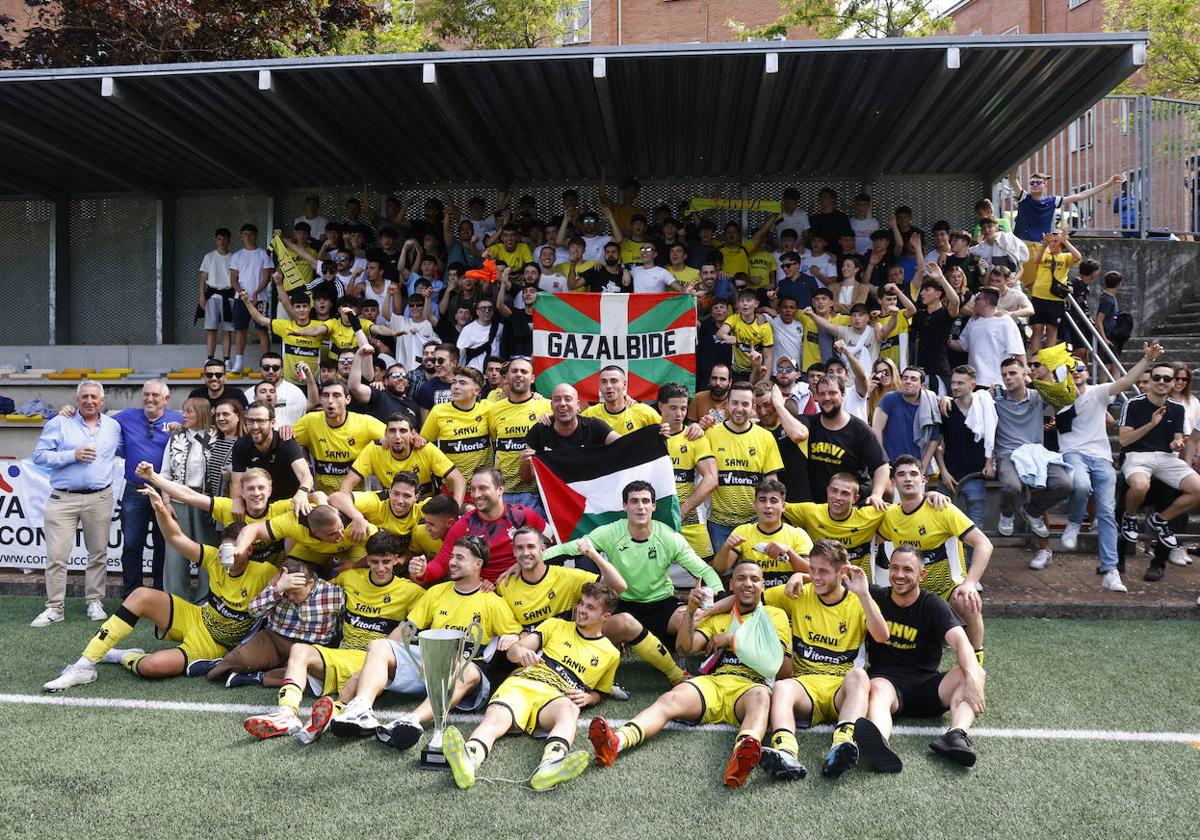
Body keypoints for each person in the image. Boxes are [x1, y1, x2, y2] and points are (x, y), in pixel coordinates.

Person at [42, 486, 276, 690]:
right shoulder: (213, 557)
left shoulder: (265, 572)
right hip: (196, 617)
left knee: (150, 666)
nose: (229, 557)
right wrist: (160, 510)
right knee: (140, 595)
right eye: (226, 550)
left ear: (249, 550)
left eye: (235, 551)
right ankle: (84, 665)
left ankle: (124, 656)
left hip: (214, 644)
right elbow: (174, 538)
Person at [588, 562, 791, 789]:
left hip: (751, 686)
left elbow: (780, 667)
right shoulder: (719, 617)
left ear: (763, 585)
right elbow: (685, 649)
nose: (748, 584)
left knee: (761, 699)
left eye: (754, 579)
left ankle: (741, 758)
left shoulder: (775, 615)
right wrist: (691, 612)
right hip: (714, 683)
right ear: (731, 584)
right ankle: (616, 742)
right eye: (741, 578)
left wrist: (733, 641)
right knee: (672, 698)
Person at [328, 536, 523, 747]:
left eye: (460, 558)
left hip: (464, 670)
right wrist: (372, 663)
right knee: (380, 645)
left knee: (466, 670)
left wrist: (513, 638)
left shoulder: (493, 602)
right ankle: (360, 710)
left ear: (478, 563)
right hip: (428, 664)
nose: (452, 562)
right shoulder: (436, 592)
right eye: (451, 557)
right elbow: (406, 630)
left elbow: (515, 637)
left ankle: (412, 721)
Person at [242, 532, 425, 739]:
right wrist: (280, 586)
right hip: (341, 656)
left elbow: (402, 640)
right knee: (300, 650)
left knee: (370, 659)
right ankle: (287, 714)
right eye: (374, 561)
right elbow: (316, 591)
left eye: (386, 562)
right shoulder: (349, 579)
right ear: (367, 559)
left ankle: (335, 712)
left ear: (396, 560)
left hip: (373, 667)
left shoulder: (413, 593)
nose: (380, 568)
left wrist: (418, 576)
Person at [442, 582, 622, 791]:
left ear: (606, 617)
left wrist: (590, 698)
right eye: (581, 604)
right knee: (495, 719)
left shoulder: (611, 654)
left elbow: (602, 691)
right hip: (523, 682)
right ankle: (469, 759)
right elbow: (513, 651)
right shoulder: (555, 625)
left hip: (554, 698)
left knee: (570, 709)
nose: (581, 610)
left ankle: (550, 766)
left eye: (590, 608)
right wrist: (519, 653)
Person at [758, 540, 888, 781]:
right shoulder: (798, 593)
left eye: (823, 571)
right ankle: (786, 752)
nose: (816, 577)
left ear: (842, 572)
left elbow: (882, 636)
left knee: (859, 676)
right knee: (783, 686)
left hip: (841, 688)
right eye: (812, 570)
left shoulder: (858, 601)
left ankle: (842, 745)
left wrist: (863, 594)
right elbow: (752, 596)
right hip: (806, 685)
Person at [855, 546, 988, 773]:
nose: (899, 575)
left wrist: (974, 681)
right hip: (887, 684)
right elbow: (830, 579)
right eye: (894, 568)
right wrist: (800, 575)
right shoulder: (875, 596)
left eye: (908, 569)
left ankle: (955, 735)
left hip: (927, 687)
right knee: (876, 686)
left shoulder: (933, 605)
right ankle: (879, 743)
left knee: (975, 672)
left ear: (921, 575)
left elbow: (960, 642)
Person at [1060, 344, 1163, 592]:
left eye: (1080, 367)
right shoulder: (1056, 397)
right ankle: (1074, 521)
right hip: (1073, 454)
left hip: (1101, 458)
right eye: (1069, 368)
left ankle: (1111, 570)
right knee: (1081, 485)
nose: (1075, 372)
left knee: (1107, 511)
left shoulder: (1097, 392)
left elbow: (1127, 379)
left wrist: (1147, 359)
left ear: (1087, 372)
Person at [878, 455, 992, 658]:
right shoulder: (890, 515)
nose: (908, 479)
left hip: (947, 590)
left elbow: (984, 544)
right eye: (901, 475)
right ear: (893, 482)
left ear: (923, 480)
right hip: (912, 593)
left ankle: (976, 661)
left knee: (968, 600)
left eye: (914, 474)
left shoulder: (942, 509)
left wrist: (970, 583)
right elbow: (870, 538)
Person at [30, 381, 122, 627]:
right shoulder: (60, 422)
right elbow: (39, 455)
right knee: (57, 556)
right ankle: (55, 608)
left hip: (99, 497)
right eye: (85, 397)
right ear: (77, 399)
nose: (89, 401)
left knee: (98, 554)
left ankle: (94, 601)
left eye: (94, 397)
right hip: (63, 498)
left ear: (102, 401)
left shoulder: (113, 427)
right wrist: (73, 455)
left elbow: (124, 449)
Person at [207, 557, 345, 688]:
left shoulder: (334, 593)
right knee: (241, 659)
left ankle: (259, 677)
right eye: (288, 593)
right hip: (275, 639)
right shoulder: (279, 585)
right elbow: (253, 611)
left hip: (310, 649)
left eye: (295, 593)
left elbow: (345, 624)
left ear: (310, 583)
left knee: (314, 676)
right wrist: (278, 589)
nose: (290, 597)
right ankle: (218, 665)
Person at [107, 379, 185, 596]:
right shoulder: (128, 416)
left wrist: (182, 429)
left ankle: (160, 592)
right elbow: (100, 420)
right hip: (136, 490)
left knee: (164, 544)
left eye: (155, 395)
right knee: (132, 544)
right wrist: (68, 411)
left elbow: (202, 427)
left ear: (166, 399)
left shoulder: (178, 418)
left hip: (166, 492)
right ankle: (133, 593)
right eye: (146, 394)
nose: (149, 399)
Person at [993, 358, 1073, 556]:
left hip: (1036, 454)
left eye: (1012, 373)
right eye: (1004, 375)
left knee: (1065, 484)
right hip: (1008, 454)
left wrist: (1052, 373)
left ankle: (1032, 511)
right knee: (1012, 486)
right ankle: (1007, 513)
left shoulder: (1038, 396)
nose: (1008, 378)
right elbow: (969, 399)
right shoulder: (996, 398)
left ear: (1024, 374)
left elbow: (1065, 400)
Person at [414, 467, 548, 584]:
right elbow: (442, 563)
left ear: (500, 489)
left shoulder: (521, 515)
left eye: (483, 488)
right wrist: (423, 571)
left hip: (523, 584)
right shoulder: (464, 525)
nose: (476, 495)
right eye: (473, 489)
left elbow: (554, 543)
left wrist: (524, 564)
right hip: (485, 592)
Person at [1118, 361, 1200, 549]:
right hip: (1137, 456)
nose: (1161, 381)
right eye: (1157, 377)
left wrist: (1177, 444)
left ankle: (1161, 520)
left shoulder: (1178, 408)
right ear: (1150, 381)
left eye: (1167, 378)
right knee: (1140, 486)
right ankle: (1129, 517)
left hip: (1166, 458)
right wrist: (1152, 424)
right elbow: (1123, 441)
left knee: (1198, 489)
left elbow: (1177, 440)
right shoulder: (1133, 404)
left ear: (1173, 383)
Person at [704, 381, 785, 550]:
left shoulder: (766, 437)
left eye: (745, 404)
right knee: (722, 573)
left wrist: (774, 518)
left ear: (753, 407)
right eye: (734, 403)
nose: (739, 408)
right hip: (720, 524)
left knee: (754, 574)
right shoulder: (711, 434)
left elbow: (772, 482)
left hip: (754, 523)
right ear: (727, 404)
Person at [657, 383, 719, 573]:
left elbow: (711, 479)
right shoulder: (649, 434)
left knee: (707, 570)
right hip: (655, 518)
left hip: (688, 518)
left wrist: (683, 510)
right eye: (673, 408)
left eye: (684, 408)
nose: (679, 413)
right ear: (661, 406)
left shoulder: (694, 437)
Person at [159, 397, 217, 599]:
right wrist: (166, 502)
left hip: (207, 504)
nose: (183, 415)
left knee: (208, 554)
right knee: (175, 554)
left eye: (189, 411)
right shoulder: (175, 437)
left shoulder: (218, 437)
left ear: (202, 413)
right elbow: (165, 474)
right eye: (183, 411)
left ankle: (207, 601)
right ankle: (175, 601)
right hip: (179, 502)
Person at [801, 375, 889, 506]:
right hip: (818, 507)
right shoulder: (808, 424)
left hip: (852, 505)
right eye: (822, 394)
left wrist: (877, 495)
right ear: (816, 397)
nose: (826, 398)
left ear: (843, 395)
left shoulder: (860, 430)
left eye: (832, 393)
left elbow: (882, 465)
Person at [934, 365, 994, 547]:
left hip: (975, 475)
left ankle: (970, 572)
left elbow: (992, 436)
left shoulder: (984, 406)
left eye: (960, 383)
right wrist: (943, 472)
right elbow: (937, 445)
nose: (955, 387)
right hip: (949, 476)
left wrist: (989, 462)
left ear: (973, 385)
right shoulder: (947, 408)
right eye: (953, 382)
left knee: (975, 529)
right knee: (937, 522)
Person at [715, 478, 811, 588]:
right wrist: (726, 547)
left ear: (783, 506)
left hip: (787, 597)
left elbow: (810, 572)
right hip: (753, 599)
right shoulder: (742, 531)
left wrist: (789, 551)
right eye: (762, 500)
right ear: (755, 505)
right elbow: (719, 570)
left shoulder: (798, 535)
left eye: (773, 501)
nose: (768, 506)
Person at [343, 412, 464, 500]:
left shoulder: (425, 449)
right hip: (390, 506)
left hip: (422, 507)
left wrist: (455, 511)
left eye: (403, 431)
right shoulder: (375, 449)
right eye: (392, 431)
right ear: (385, 434)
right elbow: (347, 484)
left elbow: (459, 479)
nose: (397, 436)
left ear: (412, 434)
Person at [294, 381, 386, 494]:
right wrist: (286, 431)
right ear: (321, 400)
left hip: (356, 496)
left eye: (336, 395)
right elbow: (285, 440)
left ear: (347, 399)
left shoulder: (364, 422)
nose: (330, 401)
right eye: (326, 395)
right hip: (322, 498)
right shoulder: (309, 422)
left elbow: (395, 435)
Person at [229, 401, 315, 518]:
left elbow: (306, 476)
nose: (255, 427)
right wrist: (237, 499)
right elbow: (236, 482)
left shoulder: (286, 443)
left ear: (272, 422)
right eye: (250, 421)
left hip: (290, 503)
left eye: (260, 421)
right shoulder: (241, 445)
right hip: (260, 504)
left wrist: (302, 492)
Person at [487, 358, 552, 512]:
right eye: (514, 371)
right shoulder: (494, 410)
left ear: (532, 378)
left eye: (524, 371)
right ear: (507, 377)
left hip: (536, 492)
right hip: (503, 491)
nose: (519, 375)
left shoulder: (546, 406)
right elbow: (495, 443)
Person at [419, 366, 493, 485]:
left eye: (462, 383)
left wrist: (534, 397)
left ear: (477, 391)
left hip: (482, 485)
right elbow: (423, 443)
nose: (456, 387)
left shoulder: (488, 408)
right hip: (450, 486)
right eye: (454, 382)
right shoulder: (438, 411)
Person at [951, 287, 1026, 388]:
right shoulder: (973, 320)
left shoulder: (1005, 321)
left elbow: (1018, 352)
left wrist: (1023, 377)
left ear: (986, 302)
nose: (974, 302)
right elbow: (963, 345)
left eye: (977, 299)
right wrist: (947, 340)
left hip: (996, 383)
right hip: (974, 382)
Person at [1026, 228, 1083, 357]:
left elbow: (1078, 257)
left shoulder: (1066, 257)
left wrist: (1066, 241)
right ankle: (1036, 359)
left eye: (1056, 241)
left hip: (1056, 299)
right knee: (1037, 329)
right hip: (1039, 296)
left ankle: (1048, 360)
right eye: (1052, 241)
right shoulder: (1045, 254)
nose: (1053, 243)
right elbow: (1036, 260)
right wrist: (1044, 245)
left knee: (1052, 330)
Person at [228, 222, 275, 372]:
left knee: (262, 329)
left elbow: (267, 277)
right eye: (245, 234)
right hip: (240, 298)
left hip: (260, 298)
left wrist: (255, 293)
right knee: (240, 329)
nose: (248, 237)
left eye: (251, 234)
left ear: (256, 236)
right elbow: (233, 279)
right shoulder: (237, 255)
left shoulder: (263, 254)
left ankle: (266, 363)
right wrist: (242, 293)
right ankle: (238, 362)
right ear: (242, 236)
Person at [871, 366, 940, 468]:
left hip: (915, 468)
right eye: (905, 378)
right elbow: (876, 430)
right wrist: (882, 461)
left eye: (913, 379)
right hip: (889, 465)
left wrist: (923, 467)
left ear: (922, 385)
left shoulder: (930, 405)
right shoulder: (889, 399)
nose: (908, 381)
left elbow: (933, 439)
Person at [581, 365, 661, 436]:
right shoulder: (589, 415)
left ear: (624, 384)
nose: (608, 386)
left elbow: (668, 436)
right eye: (604, 382)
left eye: (614, 381)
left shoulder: (644, 412)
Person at [242, 352, 314, 427]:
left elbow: (311, 404)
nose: (271, 371)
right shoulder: (249, 393)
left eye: (275, 368)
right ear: (260, 369)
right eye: (266, 368)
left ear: (282, 370)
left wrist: (309, 375)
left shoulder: (295, 392)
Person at [717, 289, 774, 380]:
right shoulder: (734, 319)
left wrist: (765, 381)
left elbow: (768, 357)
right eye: (742, 300)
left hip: (757, 372)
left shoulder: (764, 326)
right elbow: (719, 334)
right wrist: (725, 336)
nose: (745, 303)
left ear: (756, 304)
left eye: (748, 300)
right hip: (738, 372)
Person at [199, 227, 234, 363]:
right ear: (216, 240)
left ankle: (226, 359)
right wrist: (202, 296)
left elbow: (236, 278)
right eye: (219, 238)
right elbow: (203, 277)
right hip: (212, 295)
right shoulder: (209, 257)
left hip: (229, 296)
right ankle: (210, 359)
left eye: (225, 239)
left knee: (227, 330)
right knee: (211, 329)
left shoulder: (233, 257)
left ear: (229, 241)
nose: (222, 241)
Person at [686, 363, 731, 428]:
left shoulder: (736, 401)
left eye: (722, 379)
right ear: (709, 380)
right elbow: (689, 425)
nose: (717, 383)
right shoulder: (697, 398)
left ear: (730, 382)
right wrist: (698, 426)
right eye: (714, 378)